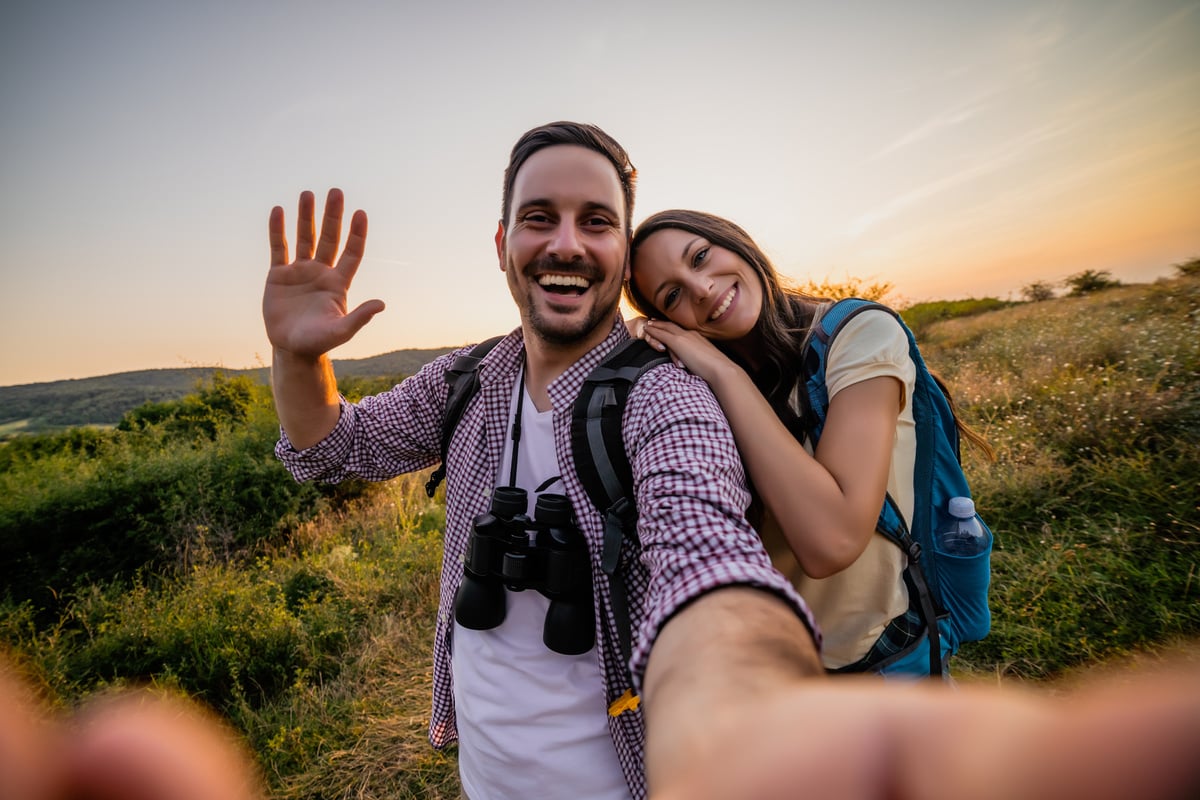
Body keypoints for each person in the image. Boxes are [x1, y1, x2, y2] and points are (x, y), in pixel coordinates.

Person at [263, 121, 822, 799]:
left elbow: (705, 549)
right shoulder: (465, 382)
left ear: (622, 251)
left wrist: (747, 668)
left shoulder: (665, 396)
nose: (566, 244)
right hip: (485, 777)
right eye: (538, 218)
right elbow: (331, 449)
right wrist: (299, 358)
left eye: (596, 222)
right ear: (502, 244)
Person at [624, 209, 990, 676]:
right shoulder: (691, 382)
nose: (701, 289)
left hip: (880, 655)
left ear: (736, 241)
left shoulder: (858, 334)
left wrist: (724, 374)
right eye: (672, 295)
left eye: (700, 257)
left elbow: (831, 541)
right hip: (780, 667)